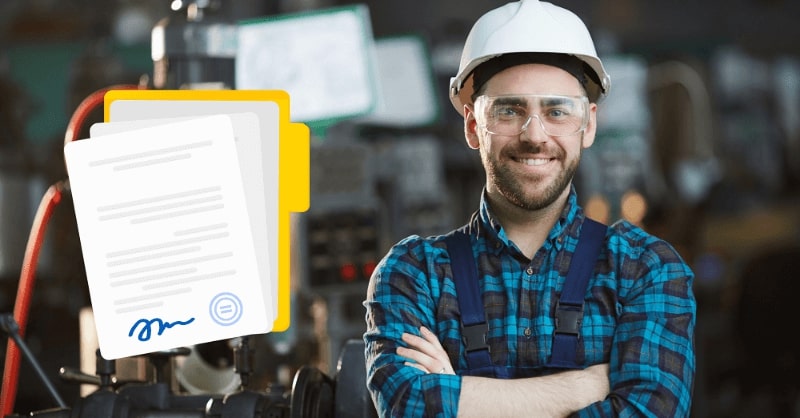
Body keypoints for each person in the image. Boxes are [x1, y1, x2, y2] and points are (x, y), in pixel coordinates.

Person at [363, 0, 696, 417]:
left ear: (588, 125)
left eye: (557, 111)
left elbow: (651, 411)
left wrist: (458, 393)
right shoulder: (414, 274)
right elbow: (409, 403)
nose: (534, 135)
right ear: (472, 126)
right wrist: (585, 386)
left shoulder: (644, 269)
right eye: (509, 110)